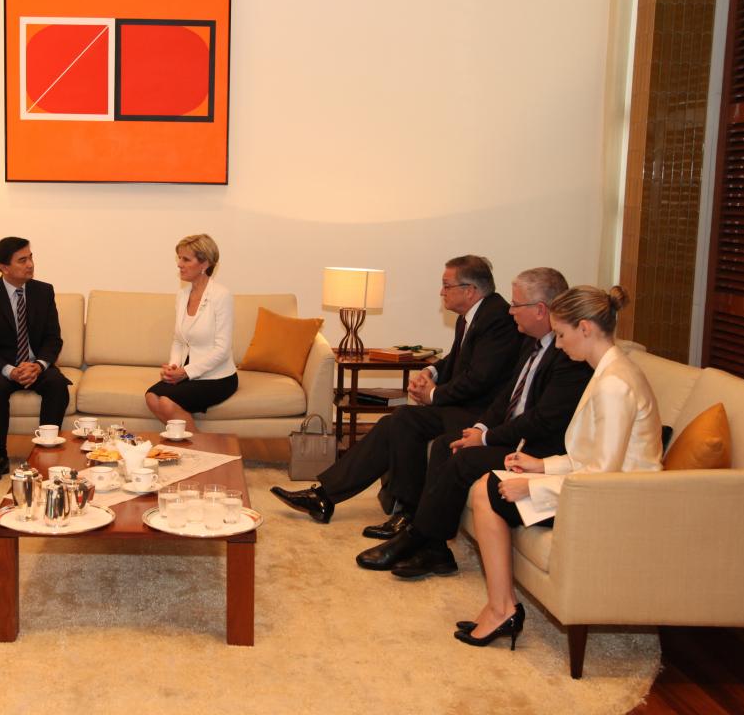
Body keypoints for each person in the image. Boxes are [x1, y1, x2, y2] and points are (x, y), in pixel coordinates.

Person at [456, 285, 662, 649]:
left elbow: (603, 478)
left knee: (487, 489)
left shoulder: (614, 384)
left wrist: (533, 487)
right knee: (485, 486)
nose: (560, 345)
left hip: (623, 504)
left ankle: (502, 608)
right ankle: (501, 606)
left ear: (585, 328)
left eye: (562, 334)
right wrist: (541, 465)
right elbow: (593, 456)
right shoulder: (608, 370)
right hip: (605, 489)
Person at [355, 268, 592, 575]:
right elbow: (508, 396)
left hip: (537, 447)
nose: (510, 310)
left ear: (540, 310)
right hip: (513, 434)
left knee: (462, 459)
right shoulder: (532, 342)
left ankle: (417, 537)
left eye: (516, 305)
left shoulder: (568, 356)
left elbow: (541, 420)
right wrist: (480, 428)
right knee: (444, 445)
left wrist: (485, 439)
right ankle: (435, 549)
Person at [271, 255, 521, 525]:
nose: (441, 292)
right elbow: (456, 358)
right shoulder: (471, 316)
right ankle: (326, 496)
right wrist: (430, 371)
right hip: (464, 406)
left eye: (446, 286)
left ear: (469, 290)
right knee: (396, 422)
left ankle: (405, 512)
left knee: (403, 420)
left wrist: (433, 395)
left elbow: (479, 378)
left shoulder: (497, 319)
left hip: (482, 415)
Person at [0, 236, 71, 482]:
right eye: (22, 260)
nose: (30, 264)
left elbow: (53, 339)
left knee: (57, 384)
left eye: (31, 257)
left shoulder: (43, 292)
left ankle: (45, 449)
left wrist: (38, 366)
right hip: (0, 368)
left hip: (34, 366)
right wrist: (10, 370)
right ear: (4, 268)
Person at [145, 234, 238, 431]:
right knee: (152, 397)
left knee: (167, 402)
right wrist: (173, 367)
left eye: (185, 259)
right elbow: (179, 340)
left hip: (217, 377)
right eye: (179, 258)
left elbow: (222, 350)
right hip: (188, 371)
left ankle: (199, 450)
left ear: (204, 263)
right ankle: (189, 445)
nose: (179, 264)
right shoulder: (182, 295)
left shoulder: (221, 296)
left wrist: (185, 372)